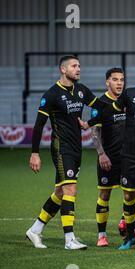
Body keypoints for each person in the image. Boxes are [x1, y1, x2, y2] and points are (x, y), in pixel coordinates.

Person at [27, 55, 108, 250]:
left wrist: (90, 122)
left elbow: (102, 108)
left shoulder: (81, 91)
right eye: (74, 66)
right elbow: (39, 125)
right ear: (63, 70)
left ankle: (35, 230)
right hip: (61, 147)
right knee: (70, 189)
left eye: (79, 65)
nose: (78, 69)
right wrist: (35, 153)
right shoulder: (52, 94)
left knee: (60, 192)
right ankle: (69, 239)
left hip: (76, 147)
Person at [87, 61, 135, 252]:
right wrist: (88, 122)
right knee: (129, 195)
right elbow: (108, 112)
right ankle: (129, 237)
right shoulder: (129, 95)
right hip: (129, 156)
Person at [90, 67, 126, 247]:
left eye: (121, 79)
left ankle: (128, 226)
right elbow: (95, 132)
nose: (119, 83)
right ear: (107, 82)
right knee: (104, 194)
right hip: (108, 158)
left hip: (127, 158)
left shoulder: (127, 101)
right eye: (115, 79)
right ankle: (101, 236)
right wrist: (102, 154)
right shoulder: (100, 104)